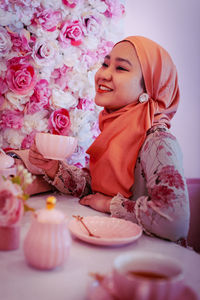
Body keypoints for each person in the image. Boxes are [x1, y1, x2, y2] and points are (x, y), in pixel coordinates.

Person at [29, 36, 190, 243]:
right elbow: (93, 191)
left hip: (152, 263)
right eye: (105, 64)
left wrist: (109, 205)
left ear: (148, 87)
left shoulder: (158, 141)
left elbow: (174, 221)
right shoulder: (115, 129)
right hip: (112, 244)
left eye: (121, 68)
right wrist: (53, 167)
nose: (104, 74)